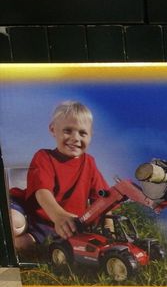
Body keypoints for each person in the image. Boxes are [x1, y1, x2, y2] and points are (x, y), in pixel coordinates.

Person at [11, 101, 109, 253]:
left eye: (82, 133)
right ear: (53, 130)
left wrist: (108, 230)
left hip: (56, 225)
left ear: (90, 136)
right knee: (14, 223)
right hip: (32, 212)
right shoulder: (44, 157)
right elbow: (42, 192)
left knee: (22, 245)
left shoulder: (89, 163)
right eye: (68, 131)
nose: (75, 138)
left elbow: (103, 200)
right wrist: (59, 215)